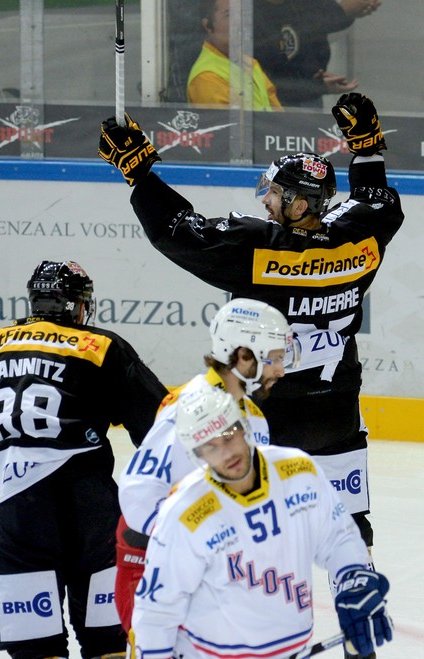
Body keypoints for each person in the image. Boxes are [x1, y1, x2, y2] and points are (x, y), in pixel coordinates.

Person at [99, 94, 403, 658]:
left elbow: (176, 231)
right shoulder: (360, 240)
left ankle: (246, 620)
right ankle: (351, 612)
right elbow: (382, 204)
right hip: (337, 413)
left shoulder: (259, 248)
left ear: (294, 206)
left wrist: (138, 172)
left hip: (270, 413)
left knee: (258, 519)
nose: (265, 198)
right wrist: (367, 148)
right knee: (346, 525)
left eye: (274, 193)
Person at [0, 260, 168, 659]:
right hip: (93, 510)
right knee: (110, 644)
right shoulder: (102, 346)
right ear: (78, 306)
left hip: (16, 514)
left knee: (36, 648)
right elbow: (163, 429)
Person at [131, 384, 393, 659]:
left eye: (229, 434)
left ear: (245, 426)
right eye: (210, 445)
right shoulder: (185, 512)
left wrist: (354, 582)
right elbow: (157, 609)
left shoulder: (298, 472)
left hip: (292, 648)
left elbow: (338, 539)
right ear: (197, 456)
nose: (227, 453)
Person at [114, 298, 296, 632]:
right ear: (243, 356)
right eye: (274, 358)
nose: (281, 370)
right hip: (156, 568)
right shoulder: (192, 406)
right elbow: (138, 490)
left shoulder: (254, 419)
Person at [253, 0, 382, 108]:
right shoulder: (248, 13)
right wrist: (317, 86)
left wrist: (349, 11)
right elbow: (264, 80)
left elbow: (320, 20)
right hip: (271, 104)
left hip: (308, 96)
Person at [187, 0, 283, 110]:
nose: (239, 22)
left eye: (241, 14)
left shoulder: (249, 62)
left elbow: (279, 117)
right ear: (207, 26)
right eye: (229, 15)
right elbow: (226, 125)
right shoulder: (206, 78)